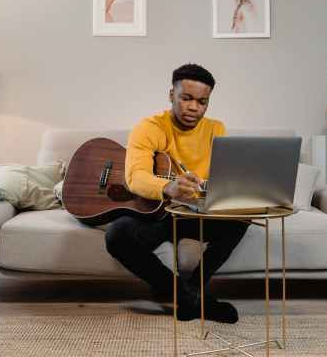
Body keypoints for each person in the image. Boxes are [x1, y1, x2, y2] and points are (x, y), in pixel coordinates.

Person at [105, 63, 249, 323]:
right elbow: (135, 176)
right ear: (171, 95)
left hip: (197, 213)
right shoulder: (150, 126)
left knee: (241, 218)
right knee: (117, 235)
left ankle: (190, 293)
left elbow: (222, 177)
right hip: (160, 214)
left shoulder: (216, 129)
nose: (194, 107)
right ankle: (190, 298)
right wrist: (167, 187)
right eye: (187, 98)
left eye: (202, 101)